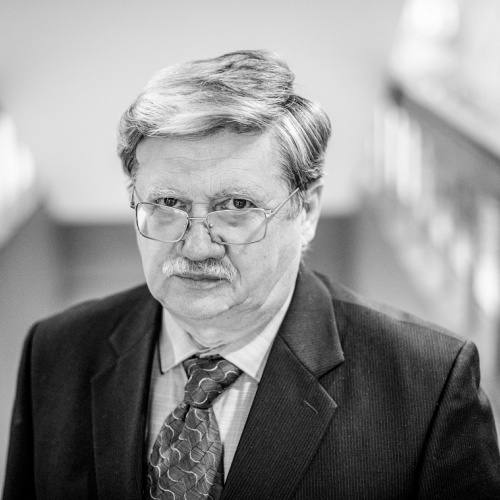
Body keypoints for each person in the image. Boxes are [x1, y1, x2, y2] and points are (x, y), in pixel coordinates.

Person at [3, 50, 500, 500]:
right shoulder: (57, 353)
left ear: (307, 211)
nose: (196, 246)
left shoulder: (428, 386)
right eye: (168, 203)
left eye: (236, 206)